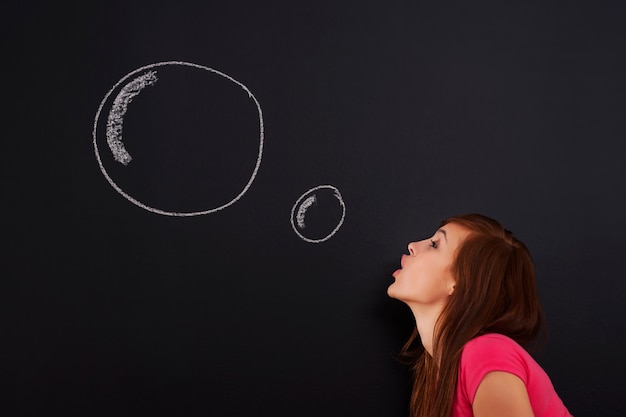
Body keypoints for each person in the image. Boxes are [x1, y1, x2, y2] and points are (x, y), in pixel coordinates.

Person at [387, 213, 572, 417]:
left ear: (459, 283)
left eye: (434, 245)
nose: (413, 245)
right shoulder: (439, 374)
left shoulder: (486, 354)